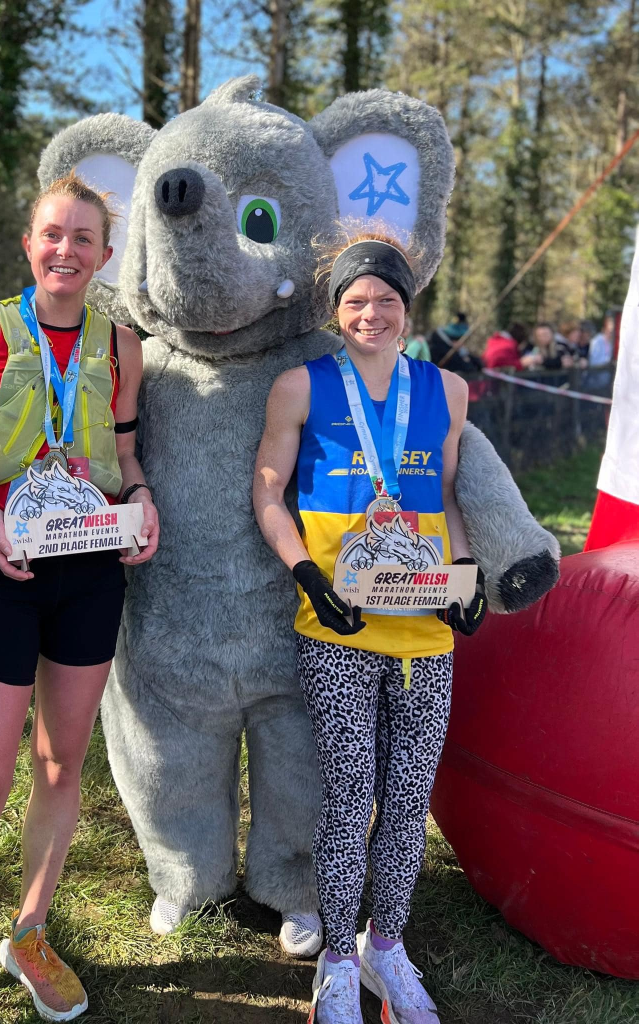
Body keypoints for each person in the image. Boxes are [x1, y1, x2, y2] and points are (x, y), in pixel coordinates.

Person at [0, 172, 159, 1024]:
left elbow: (126, 455)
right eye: (52, 235)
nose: (67, 251)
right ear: (29, 243)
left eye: (84, 240)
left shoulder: (120, 345)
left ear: (103, 255)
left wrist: (139, 498)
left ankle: (28, 932)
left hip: (89, 569)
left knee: (62, 762)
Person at [253, 236, 487, 1024]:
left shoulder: (447, 391)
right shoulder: (299, 386)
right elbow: (268, 495)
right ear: (335, 310)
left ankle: (386, 946)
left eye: (386, 299)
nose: (371, 312)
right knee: (352, 796)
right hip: (338, 630)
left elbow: (449, 496)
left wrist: (466, 578)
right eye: (356, 300)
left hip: (424, 633)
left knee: (409, 797)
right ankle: (338, 961)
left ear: (407, 307)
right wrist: (306, 575)